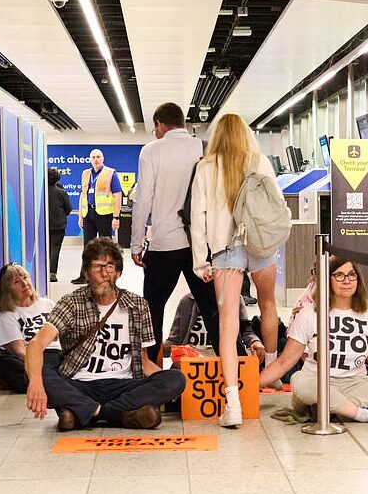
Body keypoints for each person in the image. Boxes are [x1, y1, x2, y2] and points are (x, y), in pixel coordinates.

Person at [25, 238, 184, 430]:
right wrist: (35, 382)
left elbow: (144, 363)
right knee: (35, 372)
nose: (104, 274)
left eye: (109, 267)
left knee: (176, 379)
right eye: (97, 267)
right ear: (85, 273)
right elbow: (36, 344)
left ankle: (85, 413)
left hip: (123, 385)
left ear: (118, 273)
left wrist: (169, 384)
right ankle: (119, 414)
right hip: (80, 383)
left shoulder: (138, 305)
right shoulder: (71, 303)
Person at [190, 113, 282, 428]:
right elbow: (277, 203)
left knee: (228, 326)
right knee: (268, 303)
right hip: (260, 244)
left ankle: (233, 404)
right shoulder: (259, 161)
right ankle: (271, 373)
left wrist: (200, 261)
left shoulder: (205, 167)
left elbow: (197, 217)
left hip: (225, 250)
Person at [130, 102, 220, 364]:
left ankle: (152, 369)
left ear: (159, 124)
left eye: (155, 128)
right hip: (200, 245)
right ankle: (233, 372)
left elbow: (143, 200)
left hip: (165, 243)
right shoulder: (203, 147)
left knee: (153, 309)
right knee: (213, 309)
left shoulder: (151, 151)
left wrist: (136, 245)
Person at [258, 257, 368, 423]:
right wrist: (249, 385)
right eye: (339, 275)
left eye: (351, 275)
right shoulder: (309, 314)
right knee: (298, 380)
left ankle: (333, 408)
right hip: (316, 382)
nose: (347, 281)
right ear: (327, 279)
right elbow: (284, 362)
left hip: (355, 384)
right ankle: (358, 414)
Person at [0, 263, 60, 392]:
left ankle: (46, 379)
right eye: (16, 282)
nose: (24, 284)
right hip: (29, 357)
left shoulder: (48, 304)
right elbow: (19, 351)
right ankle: (49, 379)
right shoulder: (8, 315)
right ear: (7, 290)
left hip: (54, 353)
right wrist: (37, 364)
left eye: (25, 278)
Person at [71, 148, 122, 284]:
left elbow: (118, 195)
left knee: (107, 246)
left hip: (104, 215)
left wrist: (116, 217)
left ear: (103, 158)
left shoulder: (110, 173)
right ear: (89, 159)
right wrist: (80, 216)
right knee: (88, 246)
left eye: (98, 157)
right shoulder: (86, 173)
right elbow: (83, 194)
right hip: (89, 213)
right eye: (93, 157)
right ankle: (85, 275)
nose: (96, 160)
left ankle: (109, 274)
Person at [166, 292, 265, 360]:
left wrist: (254, 341)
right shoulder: (187, 301)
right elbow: (175, 340)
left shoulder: (236, 298)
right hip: (192, 357)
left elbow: (245, 330)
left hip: (226, 356)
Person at [47, 167, 71, 282]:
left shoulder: (41, 192)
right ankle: (52, 272)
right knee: (55, 248)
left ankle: (44, 270)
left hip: (45, 225)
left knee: (45, 248)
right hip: (59, 225)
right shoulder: (61, 193)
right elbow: (68, 209)